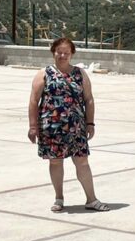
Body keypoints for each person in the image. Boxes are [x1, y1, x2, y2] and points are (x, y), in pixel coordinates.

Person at [28, 37, 109, 212]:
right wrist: (33, 127)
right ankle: (59, 198)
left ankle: (91, 199)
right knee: (55, 162)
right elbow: (34, 101)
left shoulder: (80, 74)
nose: (63, 55)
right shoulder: (43, 74)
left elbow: (89, 99)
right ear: (53, 52)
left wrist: (90, 122)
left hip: (76, 127)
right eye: (59, 52)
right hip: (51, 128)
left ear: (72, 54)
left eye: (66, 52)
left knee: (82, 162)